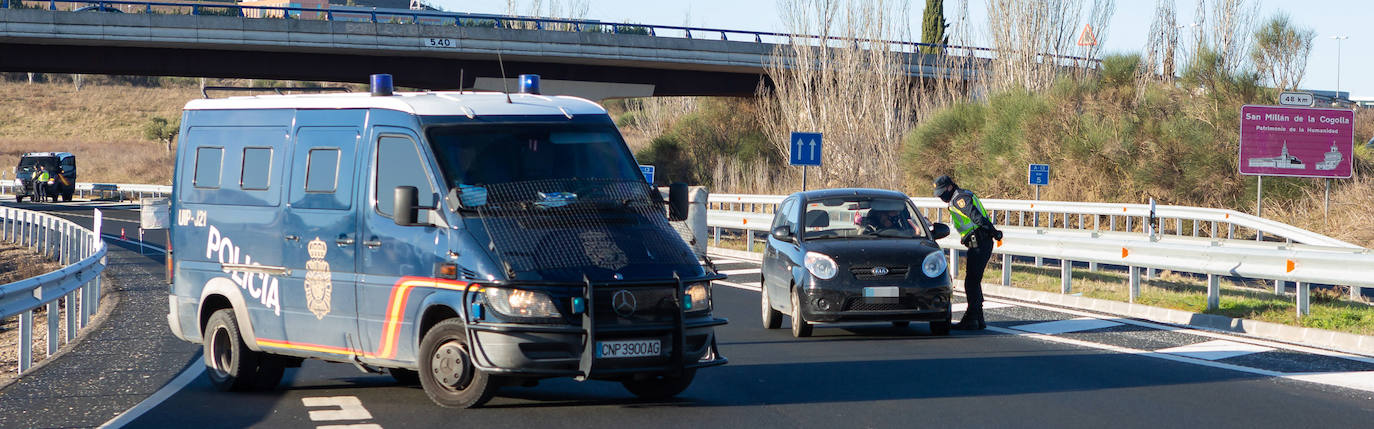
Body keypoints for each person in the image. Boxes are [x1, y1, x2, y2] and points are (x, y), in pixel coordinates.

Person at [934, 175, 1002, 330]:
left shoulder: (960, 199)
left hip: (980, 242)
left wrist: (994, 232)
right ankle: (978, 319)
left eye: (942, 192)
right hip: (977, 242)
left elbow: (977, 218)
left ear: (950, 187)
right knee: (973, 281)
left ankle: (972, 318)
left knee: (971, 282)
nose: (941, 197)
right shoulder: (959, 197)